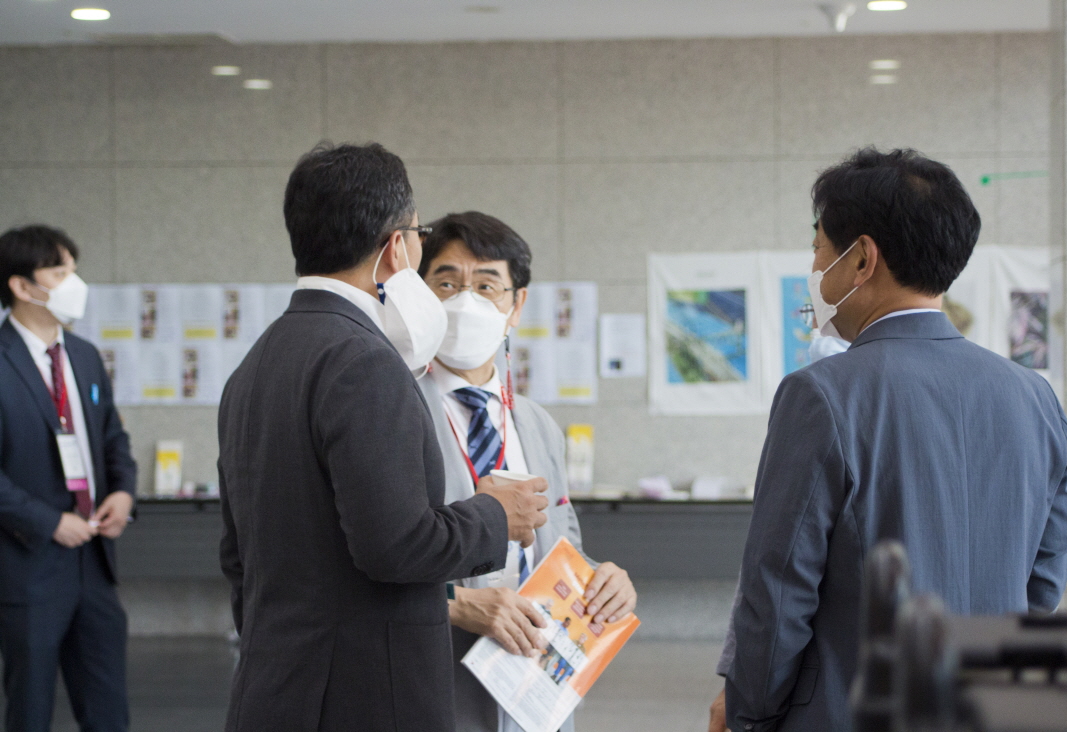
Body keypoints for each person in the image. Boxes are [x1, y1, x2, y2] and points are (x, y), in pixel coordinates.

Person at [708, 148, 1067, 732]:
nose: (815, 268)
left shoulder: (822, 395)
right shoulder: (1033, 397)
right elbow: (1047, 568)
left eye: (819, 249)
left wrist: (748, 712)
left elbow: (778, 593)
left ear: (862, 259)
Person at [218, 144, 550, 732]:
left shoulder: (257, 363)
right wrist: (496, 515)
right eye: (419, 236)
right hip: (363, 698)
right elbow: (397, 546)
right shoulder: (364, 361)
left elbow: (237, 555)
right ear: (397, 247)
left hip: (277, 686)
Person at [417, 211, 637, 732]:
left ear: (516, 306)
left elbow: (562, 549)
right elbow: (365, 561)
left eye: (486, 285)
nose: (465, 301)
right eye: (446, 283)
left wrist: (603, 581)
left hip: (534, 696)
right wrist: (455, 602)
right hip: (435, 686)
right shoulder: (396, 412)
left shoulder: (538, 426)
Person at [0, 225, 136, 732]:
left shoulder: (83, 356)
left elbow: (113, 438)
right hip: (28, 566)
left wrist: (123, 491)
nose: (74, 284)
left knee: (109, 711)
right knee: (31, 711)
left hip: (94, 565)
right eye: (59, 273)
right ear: (22, 286)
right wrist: (49, 522)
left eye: (74, 271)